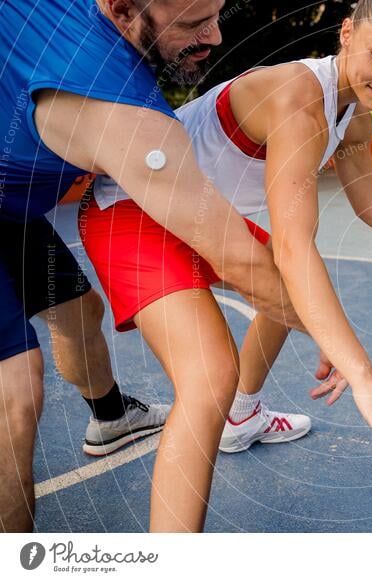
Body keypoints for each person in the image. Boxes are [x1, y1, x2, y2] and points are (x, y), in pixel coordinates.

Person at [85, 0, 372, 506]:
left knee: (296, 282)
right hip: (133, 209)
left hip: (206, 221)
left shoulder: (355, 117)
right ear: (346, 34)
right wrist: (364, 376)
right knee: (210, 377)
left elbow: (371, 205)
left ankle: (244, 414)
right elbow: (296, 247)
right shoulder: (300, 98)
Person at [0, 0, 305, 532]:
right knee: (15, 395)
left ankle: (112, 417)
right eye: (192, 24)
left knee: (78, 313)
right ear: (120, 10)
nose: (213, 35)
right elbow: (237, 259)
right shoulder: (120, 109)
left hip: (14, 210)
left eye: (217, 12)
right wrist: (352, 360)